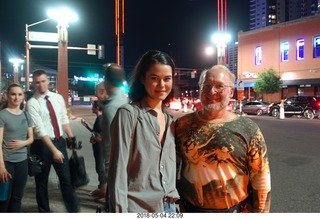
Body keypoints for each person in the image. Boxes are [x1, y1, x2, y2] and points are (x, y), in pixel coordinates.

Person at [175, 65, 271, 213]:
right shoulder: (182, 125)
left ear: (231, 91)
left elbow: (261, 176)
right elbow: (171, 166)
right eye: (206, 86)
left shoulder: (248, 128)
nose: (211, 92)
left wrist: (260, 211)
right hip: (189, 209)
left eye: (219, 86)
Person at [107, 50, 180, 212]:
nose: (162, 85)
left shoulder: (170, 119)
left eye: (167, 79)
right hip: (138, 207)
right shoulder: (128, 114)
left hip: (169, 206)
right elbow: (117, 171)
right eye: (154, 78)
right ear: (142, 78)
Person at [26, 69, 79, 212]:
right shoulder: (32, 103)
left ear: (48, 81)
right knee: (41, 184)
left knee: (67, 181)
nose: (41, 85)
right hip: (41, 146)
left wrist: (71, 138)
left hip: (59, 142)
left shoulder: (58, 98)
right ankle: (44, 212)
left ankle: (73, 211)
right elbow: (40, 130)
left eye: (43, 81)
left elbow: (63, 119)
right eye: (37, 82)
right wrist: (53, 151)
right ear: (33, 84)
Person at [0, 83, 34, 212]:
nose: (16, 97)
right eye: (13, 94)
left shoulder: (26, 115)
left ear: (23, 97)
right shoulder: (2, 115)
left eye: (20, 94)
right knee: (4, 198)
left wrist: (23, 143)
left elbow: (31, 138)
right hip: (6, 162)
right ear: (7, 96)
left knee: (17, 197)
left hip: (22, 162)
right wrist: (1, 167)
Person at [100, 63, 128, 202]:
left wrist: (107, 177)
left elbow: (111, 145)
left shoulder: (111, 107)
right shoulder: (127, 100)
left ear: (106, 81)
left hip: (117, 169)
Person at [81, 100, 105, 198]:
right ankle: (101, 188)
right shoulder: (100, 118)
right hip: (98, 146)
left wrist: (95, 138)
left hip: (99, 147)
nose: (92, 108)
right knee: (100, 167)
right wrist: (87, 127)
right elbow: (96, 132)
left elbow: (100, 135)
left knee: (100, 168)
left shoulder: (100, 119)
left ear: (98, 108)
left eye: (93, 106)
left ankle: (103, 190)